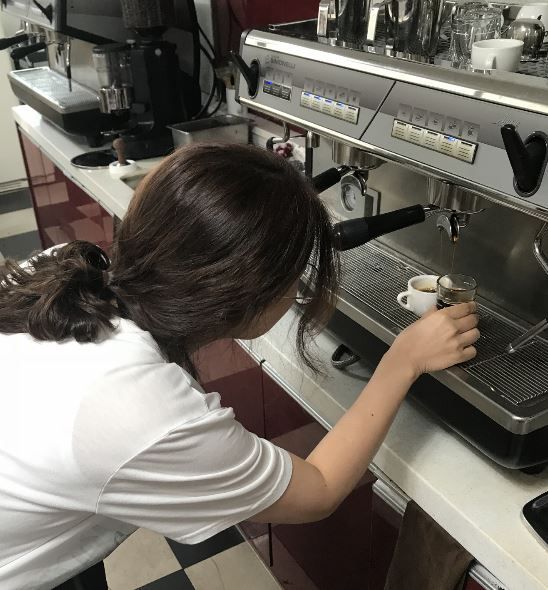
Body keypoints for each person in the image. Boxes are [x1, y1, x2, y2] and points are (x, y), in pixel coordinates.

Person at [0, 144, 479, 590]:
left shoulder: (66, 272)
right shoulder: (144, 413)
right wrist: (403, 360)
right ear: (246, 296)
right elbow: (320, 489)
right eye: (295, 277)